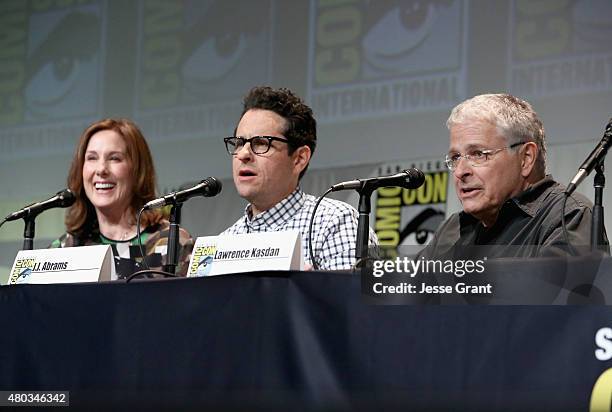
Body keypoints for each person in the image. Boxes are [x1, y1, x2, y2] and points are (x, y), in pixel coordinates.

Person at [420, 93, 607, 258]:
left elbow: (555, 294)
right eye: (455, 157)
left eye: (478, 154)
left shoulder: (568, 216)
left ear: (525, 158)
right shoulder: (451, 230)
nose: (460, 171)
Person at [221, 86, 378, 270]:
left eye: (261, 143)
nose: (243, 154)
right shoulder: (225, 241)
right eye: (239, 143)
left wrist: (307, 288)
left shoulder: (335, 223)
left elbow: (352, 297)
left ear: (299, 158)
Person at [50, 118, 194, 278]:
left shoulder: (172, 243)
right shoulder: (65, 249)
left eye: (114, 158)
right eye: (92, 158)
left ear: (138, 170)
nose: (101, 169)